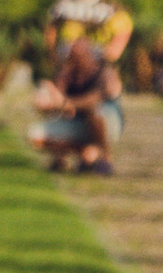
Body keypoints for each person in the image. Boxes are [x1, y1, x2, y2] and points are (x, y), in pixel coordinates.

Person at [43, 0, 132, 155]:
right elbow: (50, 29)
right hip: (69, 70)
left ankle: (97, 152)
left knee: (96, 111)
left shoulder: (109, 7)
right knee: (58, 115)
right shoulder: (63, 4)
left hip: (94, 72)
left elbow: (123, 31)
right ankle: (66, 154)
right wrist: (54, 56)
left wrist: (110, 54)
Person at [30, 33, 115, 175]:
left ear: (90, 54)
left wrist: (66, 104)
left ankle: (105, 157)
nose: (77, 59)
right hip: (77, 122)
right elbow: (55, 99)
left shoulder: (104, 73)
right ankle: (84, 153)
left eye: (81, 54)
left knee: (96, 113)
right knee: (35, 135)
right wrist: (47, 96)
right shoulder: (68, 73)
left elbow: (93, 101)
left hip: (106, 122)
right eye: (73, 55)